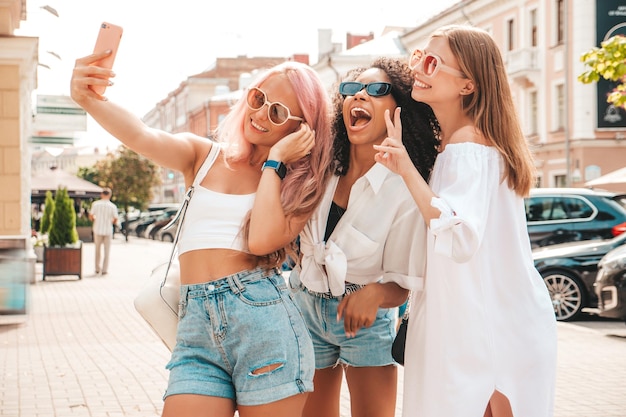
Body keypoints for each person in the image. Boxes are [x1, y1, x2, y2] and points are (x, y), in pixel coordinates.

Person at [71, 50, 334, 417]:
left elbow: (259, 241)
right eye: (258, 98)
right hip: (195, 325)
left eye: (277, 112)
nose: (260, 114)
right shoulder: (204, 155)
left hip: (264, 325)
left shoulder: (298, 186)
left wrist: (275, 162)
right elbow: (141, 134)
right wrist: (88, 98)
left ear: (301, 129)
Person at [374, 25, 557, 417]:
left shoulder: (467, 146)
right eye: (420, 55)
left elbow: (458, 236)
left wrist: (405, 168)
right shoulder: (471, 143)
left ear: (468, 86)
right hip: (497, 322)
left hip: (479, 330)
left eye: (433, 62)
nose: (420, 68)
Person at [261, 57, 439, 417]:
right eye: (350, 90)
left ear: (399, 107)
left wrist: (374, 294)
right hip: (303, 307)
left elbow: (403, 283)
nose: (359, 96)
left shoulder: (405, 189)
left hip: (366, 322)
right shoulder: (320, 166)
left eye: (376, 90)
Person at [89, 187, 118, 275]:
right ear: (109, 195)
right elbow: (115, 218)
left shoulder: (95, 204)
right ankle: (104, 270)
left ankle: (97, 268)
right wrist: (110, 222)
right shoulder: (112, 206)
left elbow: (91, 216)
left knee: (97, 250)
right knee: (107, 251)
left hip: (97, 229)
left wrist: (96, 220)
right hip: (108, 230)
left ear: (102, 194)